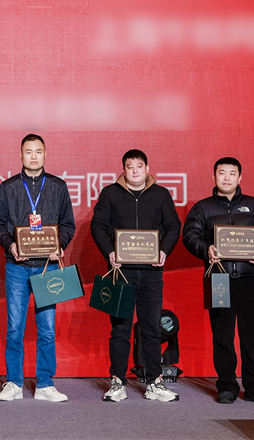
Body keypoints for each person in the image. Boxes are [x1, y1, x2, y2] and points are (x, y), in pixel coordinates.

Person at [182, 157, 254, 404]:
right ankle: (226, 385)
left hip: (249, 278)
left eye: (232, 173)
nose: (227, 178)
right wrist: (206, 249)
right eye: (222, 173)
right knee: (222, 335)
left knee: (251, 335)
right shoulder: (202, 208)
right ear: (213, 177)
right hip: (219, 279)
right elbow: (190, 234)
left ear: (240, 177)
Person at [90, 149, 182, 403]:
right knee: (120, 329)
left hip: (152, 273)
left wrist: (164, 251)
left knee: (151, 328)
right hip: (121, 272)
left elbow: (174, 226)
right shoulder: (110, 194)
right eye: (129, 167)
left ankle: (154, 382)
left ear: (147, 169)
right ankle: (117, 381)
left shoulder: (161, 194)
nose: (134, 171)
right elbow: (97, 226)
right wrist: (109, 252)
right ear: (123, 170)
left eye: (139, 166)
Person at [0, 134, 75, 402]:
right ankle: (14, 382)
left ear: (45, 154)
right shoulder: (8, 187)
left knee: (47, 329)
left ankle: (45, 384)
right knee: (15, 328)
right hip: (17, 266)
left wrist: (60, 245)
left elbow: (68, 224)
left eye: (38, 151)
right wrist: (10, 245)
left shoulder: (58, 186)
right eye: (29, 152)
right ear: (20, 155)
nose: (34, 156)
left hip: (47, 267)